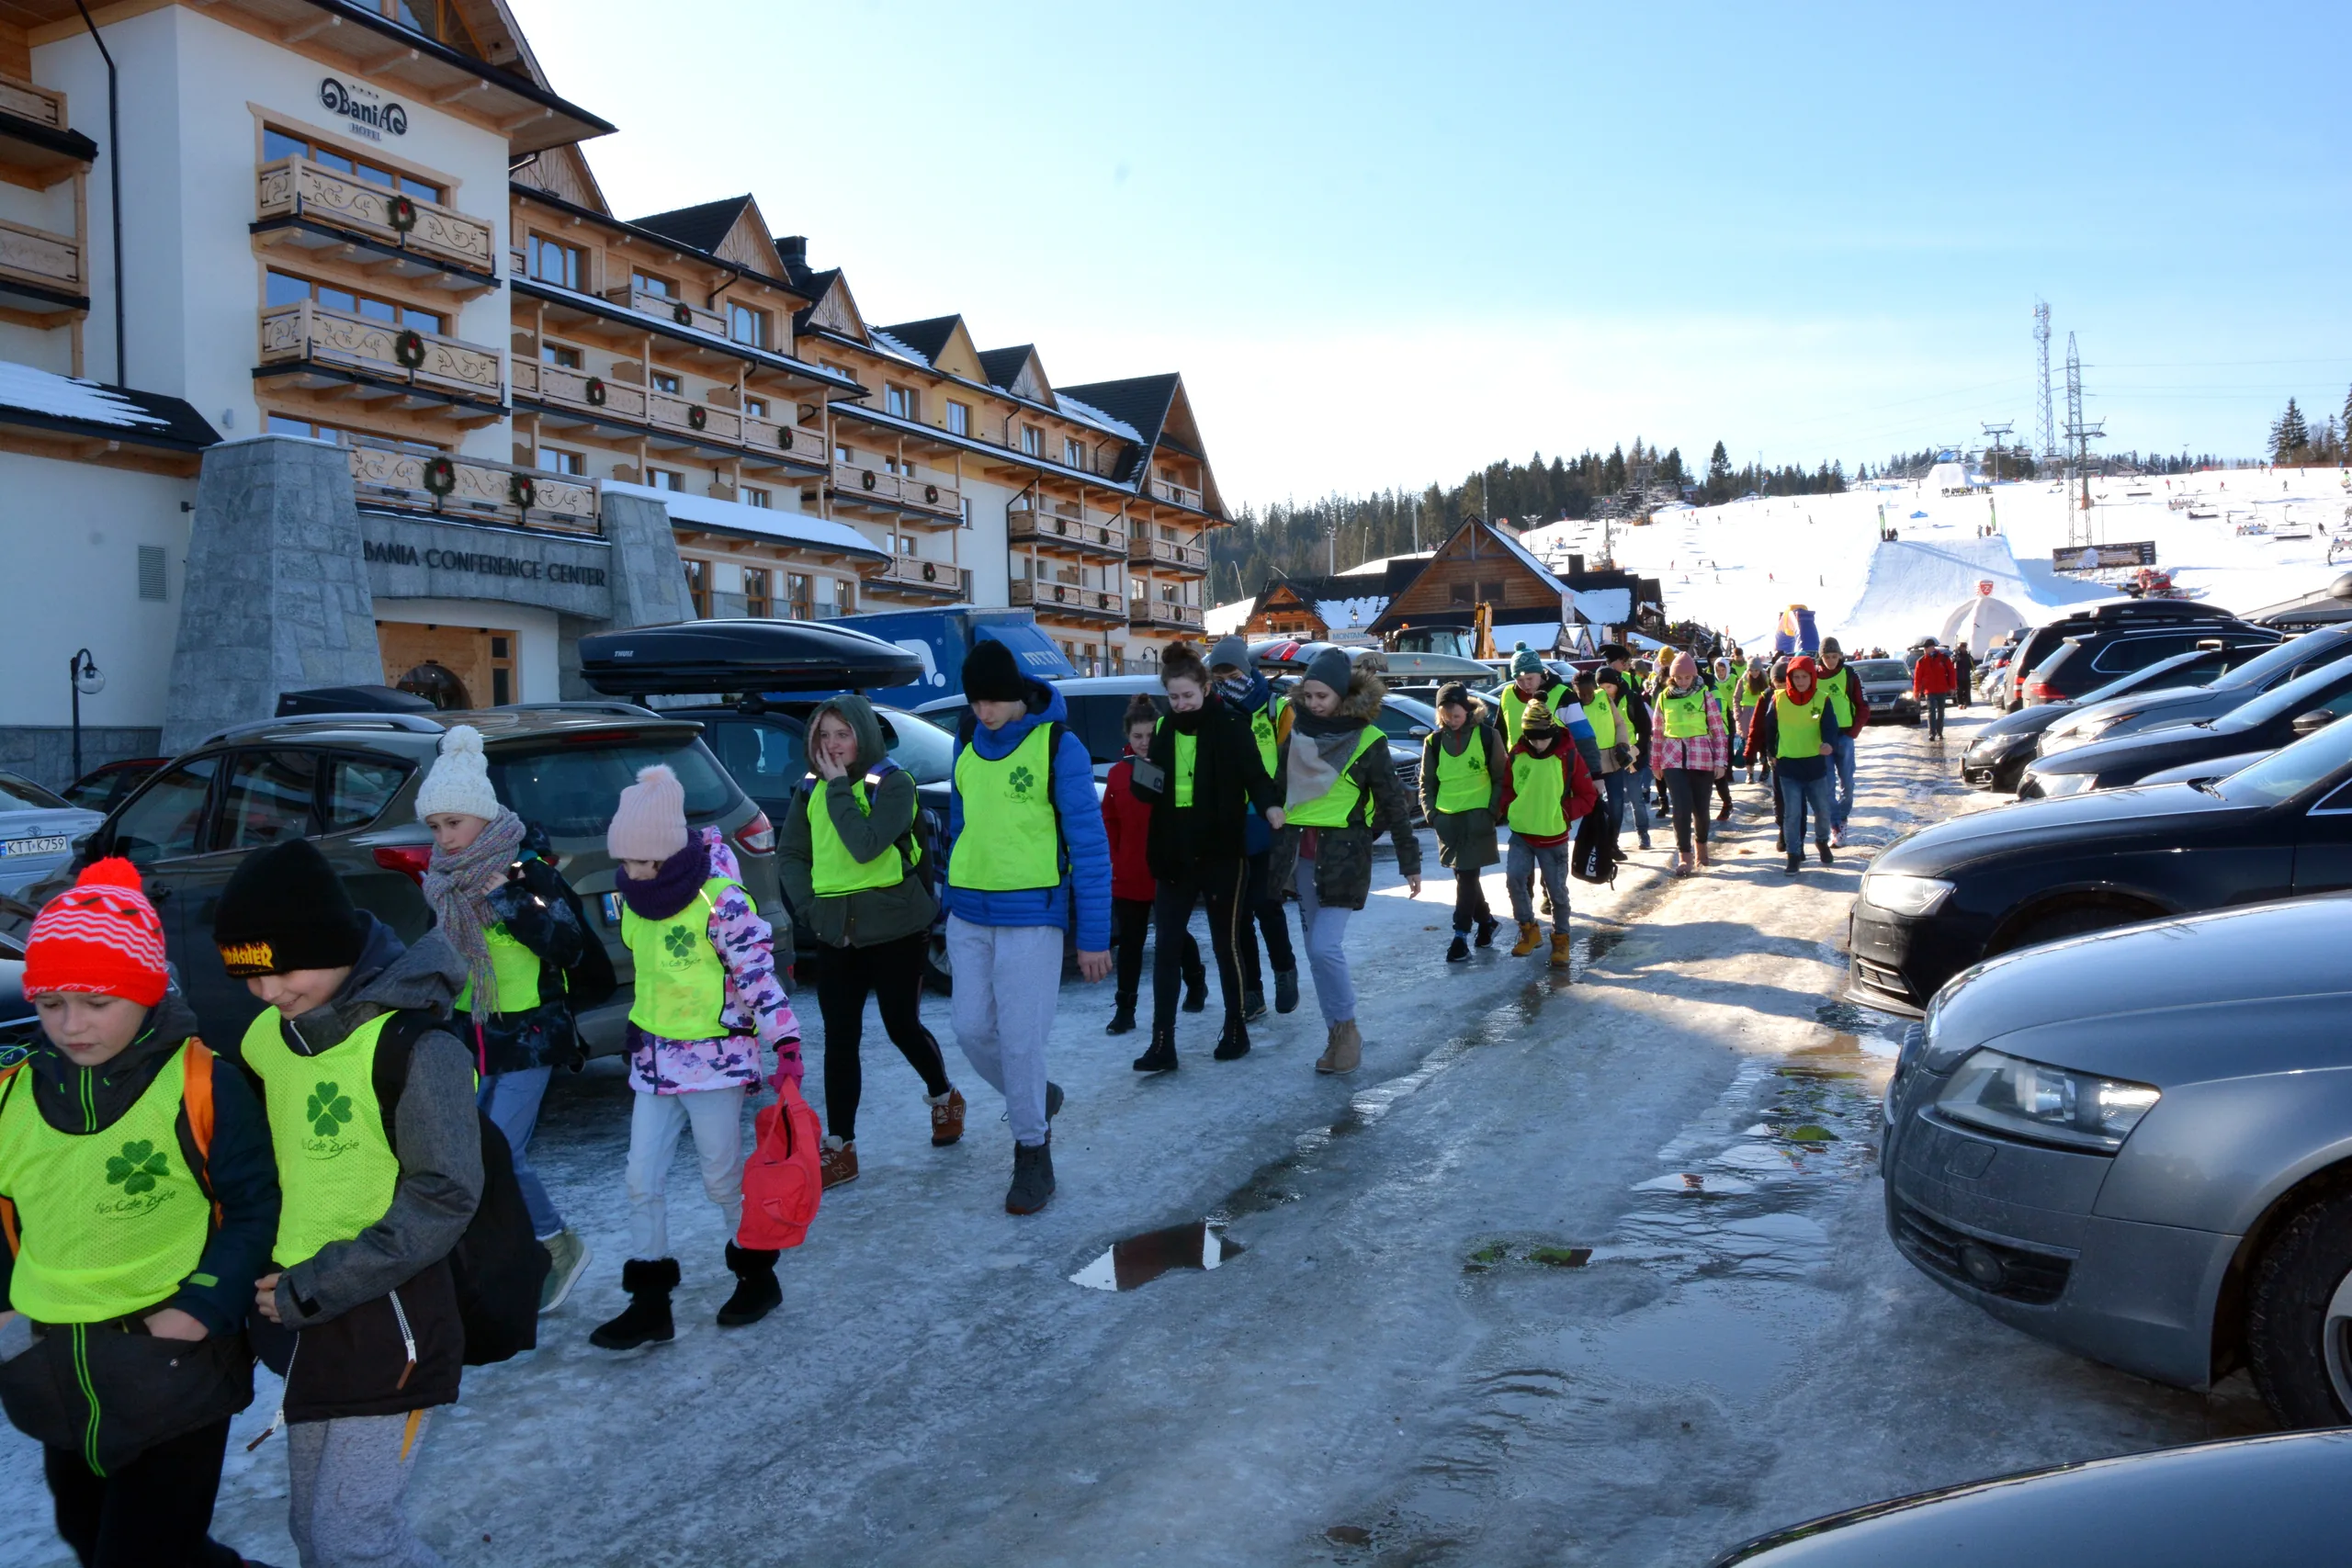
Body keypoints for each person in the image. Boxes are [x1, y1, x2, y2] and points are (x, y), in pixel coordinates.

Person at [211, 837, 481, 1568]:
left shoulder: (416, 1046)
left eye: (280, 969)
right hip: (303, 1316)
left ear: (333, 946)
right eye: (249, 976)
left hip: (393, 1316)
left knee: (351, 1537)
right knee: (311, 1532)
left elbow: (445, 1192)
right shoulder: (268, 1037)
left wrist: (320, 1283)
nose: (267, 992)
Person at [0, 860, 277, 1568]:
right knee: (90, 1536)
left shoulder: (201, 1083)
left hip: (173, 1364)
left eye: (97, 1002)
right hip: (56, 1368)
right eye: (52, 1001)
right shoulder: (12, 1095)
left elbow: (252, 1207)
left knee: (142, 1553)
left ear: (147, 994)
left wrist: (198, 1308)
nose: (71, 1024)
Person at [592, 765, 801, 1350]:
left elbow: (755, 973)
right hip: (654, 1060)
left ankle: (756, 1278)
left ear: (665, 852)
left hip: (714, 1063)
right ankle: (650, 1303)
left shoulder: (721, 900)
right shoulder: (636, 896)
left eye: (639, 863)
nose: (628, 875)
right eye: (625, 862)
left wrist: (783, 1040)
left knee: (721, 1178)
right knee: (641, 1177)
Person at [415, 723, 611, 1312]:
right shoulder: (446, 884)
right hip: (474, 1032)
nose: (445, 838)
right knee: (471, 1148)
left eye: (454, 823)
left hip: (531, 1034)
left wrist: (509, 899)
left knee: (501, 1147)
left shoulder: (527, 874)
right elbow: (441, 957)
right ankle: (507, 1254)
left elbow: (567, 945)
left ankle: (557, 1243)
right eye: (436, 827)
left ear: (483, 817)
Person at [943, 637, 1113, 1213]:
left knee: (1019, 1041)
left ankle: (1033, 1150)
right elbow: (964, 828)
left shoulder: (1057, 746)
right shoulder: (967, 742)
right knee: (969, 1030)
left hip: (1032, 918)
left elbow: (1089, 848)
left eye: (991, 700)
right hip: (968, 913)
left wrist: (1092, 937)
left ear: (1015, 694)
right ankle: (1035, 1096)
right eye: (975, 701)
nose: (983, 711)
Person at [776, 695, 964, 1192]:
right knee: (840, 1038)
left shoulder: (894, 784)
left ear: (862, 734)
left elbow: (865, 846)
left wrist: (839, 787)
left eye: (843, 734)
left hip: (897, 926)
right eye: (824, 736)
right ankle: (841, 1146)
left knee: (901, 1024)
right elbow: (792, 853)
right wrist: (807, 908)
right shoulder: (807, 789)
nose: (833, 746)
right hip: (836, 930)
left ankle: (943, 1096)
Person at [1127, 645, 1284, 1071]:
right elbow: (1150, 787)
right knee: (1167, 948)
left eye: (1188, 697)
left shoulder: (1231, 726)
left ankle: (1236, 1028)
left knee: (1224, 942)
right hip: (1173, 852)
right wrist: (1142, 771)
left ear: (1205, 688)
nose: (1181, 705)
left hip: (1220, 853)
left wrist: (1270, 806)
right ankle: (1163, 1043)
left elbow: (1256, 775)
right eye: (1174, 698)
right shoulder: (1163, 730)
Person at [1269, 645, 1422, 1075]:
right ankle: (1335, 1033)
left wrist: (1410, 861)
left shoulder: (1369, 740)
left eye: (1322, 696)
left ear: (1342, 694)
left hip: (1344, 856)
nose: (1314, 703)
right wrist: (1271, 807)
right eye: (1309, 696)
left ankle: (1348, 1030)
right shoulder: (1298, 733)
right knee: (1316, 953)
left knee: (1324, 946)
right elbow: (1278, 785)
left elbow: (1393, 804)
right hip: (1300, 853)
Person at [1102, 696, 1209, 1037]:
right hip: (1130, 871)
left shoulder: (1173, 769)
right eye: (1138, 737)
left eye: (1150, 735)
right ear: (1128, 738)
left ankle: (1196, 982)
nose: (1145, 742)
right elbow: (1110, 822)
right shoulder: (1118, 774)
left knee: (1172, 934)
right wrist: (1115, 860)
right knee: (1131, 943)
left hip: (1167, 868)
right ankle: (1125, 1008)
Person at [1206, 636, 1298, 1018]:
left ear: (1246, 671)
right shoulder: (1212, 713)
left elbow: (1293, 763)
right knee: (1238, 913)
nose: (1225, 681)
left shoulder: (1275, 708)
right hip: (1227, 823)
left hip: (1268, 819)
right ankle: (1252, 991)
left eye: (1231, 673)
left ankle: (1284, 970)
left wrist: (1278, 805)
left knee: (1266, 904)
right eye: (1218, 675)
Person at [1497, 702, 1597, 966]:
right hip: (1521, 833)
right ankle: (1528, 930)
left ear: (1552, 731)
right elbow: (1507, 787)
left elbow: (1588, 795)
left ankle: (1561, 939)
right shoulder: (1517, 754)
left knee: (1556, 892)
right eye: (1532, 738)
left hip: (1553, 837)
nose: (1538, 744)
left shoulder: (1568, 756)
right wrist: (1509, 807)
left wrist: (1562, 812)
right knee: (1514, 880)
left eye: (1543, 738)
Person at [1419, 681, 1506, 963]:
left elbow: (1500, 777)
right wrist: (1432, 815)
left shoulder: (1487, 736)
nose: (1451, 721)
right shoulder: (1432, 742)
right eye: (1445, 716)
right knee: (1464, 876)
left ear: (1468, 711)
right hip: (1448, 821)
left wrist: (1492, 811)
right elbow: (1426, 784)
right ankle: (1488, 922)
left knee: (1467, 877)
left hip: (1478, 818)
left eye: (1456, 715)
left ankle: (1460, 937)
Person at [1756, 655, 1841, 873]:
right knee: (1792, 813)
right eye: (1796, 677)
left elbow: (1831, 728)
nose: (1800, 681)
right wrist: (1771, 753)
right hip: (1788, 766)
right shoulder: (1778, 699)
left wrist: (1829, 744)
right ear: (1789, 678)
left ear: (1812, 677)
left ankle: (1821, 841)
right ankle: (1793, 854)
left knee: (1822, 810)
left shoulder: (1822, 699)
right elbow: (1769, 729)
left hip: (1815, 765)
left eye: (1804, 676)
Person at [1653, 652, 1731, 874]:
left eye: (1688, 677)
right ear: (1672, 677)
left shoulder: (1705, 695)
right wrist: (1656, 763)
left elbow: (1718, 730)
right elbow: (1657, 731)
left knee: (1701, 809)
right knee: (1681, 807)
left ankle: (1702, 850)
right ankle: (1684, 856)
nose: (1684, 682)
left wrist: (1721, 761)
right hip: (1672, 759)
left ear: (1694, 676)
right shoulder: (1664, 697)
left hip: (1701, 758)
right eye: (1679, 678)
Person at [1600, 644, 1656, 850]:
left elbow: (1644, 726)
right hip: (1607, 757)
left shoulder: (1631, 696)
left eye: (1609, 687)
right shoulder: (1598, 700)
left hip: (1630, 755)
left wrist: (1638, 750)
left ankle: (1643, 832)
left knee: (1635, 798)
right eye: (1602, 687)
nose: (1606, 691)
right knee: (1613, 801)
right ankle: (1612, 840)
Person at [1815, 638, 1870, 848]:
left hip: (1845, 735)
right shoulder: (1814, 676)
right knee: (1827, 785)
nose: (1830, 660)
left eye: (1834, 656)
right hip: (1823, 739)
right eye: (1827, 657)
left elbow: (1863, 706)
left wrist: (1852, 732)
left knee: (1847, 782)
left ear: (1840, 655)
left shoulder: (1849, 674)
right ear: (1821, 657)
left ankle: (1843, 817)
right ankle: (1836, 825)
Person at [1583, 669, 1635, 838]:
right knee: (1593, 805)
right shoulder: (1574, 705)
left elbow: (1619, 723)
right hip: (1589, 761)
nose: (1586, 696)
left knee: (1617, 802)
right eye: (1581, 693)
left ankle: (1613, 840)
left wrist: (1622, 743)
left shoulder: (1604, 697)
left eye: (1589, 691)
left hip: (1613, 757)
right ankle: (1598, 843)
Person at [1496, 644, 1571, 745]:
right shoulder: (1508, 694)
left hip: (1554, 760)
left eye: (1530, 678)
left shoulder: (1564, 694)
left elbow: (1583, 737)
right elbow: (1499, 733)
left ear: (1540, 673)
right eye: (1520, 680)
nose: (1526, 684)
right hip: (1517, 760)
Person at [1914, 637, 1958, 739]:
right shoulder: (1921, 661)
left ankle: (1940, 732)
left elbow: (1951, 673)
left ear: (1932, 648)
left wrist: (1952, 687)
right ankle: (1932, 733)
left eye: (1926, 648)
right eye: (1924, 649)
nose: (1925, 650)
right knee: (1931, 711)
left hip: (1942, 689)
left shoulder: (1944, 658)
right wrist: (1916, 693)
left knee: (1941, 711)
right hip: (1929, 691)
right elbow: (1917, 678)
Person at [1952, 643, 1976, 707]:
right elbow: (1951, 663)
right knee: (1959, 690)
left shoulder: (1968, 656)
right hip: (1959, 677)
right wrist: (1955, 658)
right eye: (1961, 648)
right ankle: (1960, 702)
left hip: (1966, 676)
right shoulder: (1956, 656)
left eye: (1964, 647)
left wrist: (1973, 666)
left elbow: (1973, 666)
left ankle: (1967, 701)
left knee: (1967, 690)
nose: (1963, 649)